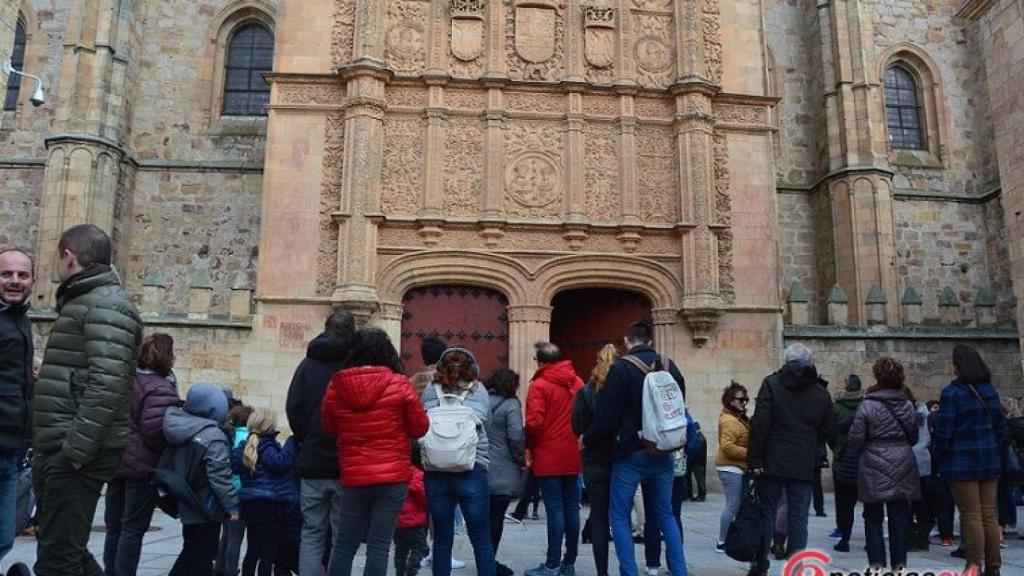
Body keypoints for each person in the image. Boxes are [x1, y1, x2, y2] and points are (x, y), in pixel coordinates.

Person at [33, 225, 144, 576]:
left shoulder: (104, 305)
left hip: (76, 448)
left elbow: (107, 384)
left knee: (57, 559)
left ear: (69, 257)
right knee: (67, 548)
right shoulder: (86, 301)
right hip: (61, 443)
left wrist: (77, 451)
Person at [322, 328, 430, 576]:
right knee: (379, 545)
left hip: (354, 474)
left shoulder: (336, 386)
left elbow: (329, 427)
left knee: (345, 544)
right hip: (392, 476)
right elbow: (420, 427)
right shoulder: (399, 384)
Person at [583, 322, 688, 576]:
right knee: (665, 515)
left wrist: (588, 438)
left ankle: (628, 571)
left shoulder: (621, 369)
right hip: (662, 450)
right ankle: (680, 570)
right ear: (650, 341)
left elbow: (607, 416)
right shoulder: (669, 365)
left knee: (618, 516)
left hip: (630, 452)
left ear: (627, 341)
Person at [747, 343, 834, 576]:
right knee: (799, 517)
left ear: (786, 361)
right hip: (803, 461)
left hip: (772, 459)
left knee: (767, 513)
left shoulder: (771, 384)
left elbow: (760, 424)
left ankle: (760, 564)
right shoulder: (820, 392)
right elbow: (828, 430)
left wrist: (754, 459)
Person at [103, 334, 181, 576]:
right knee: (132, 529)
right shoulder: (160, 388)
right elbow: (155, 431)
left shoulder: (124, 382)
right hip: (143, 467)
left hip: (116, 462)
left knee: (114, 527)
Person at [286, 309, 355, 576]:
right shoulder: (354, 366)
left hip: (312, 461)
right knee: (341, 535)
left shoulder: (307, 364)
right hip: (345, 462)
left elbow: (294, 408)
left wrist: (307, 438)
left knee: (312, 533)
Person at [931, 345, 1006, 576]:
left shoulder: (952, 393)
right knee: (988, 514)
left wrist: (938, 454)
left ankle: (973, 565)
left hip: (962, 462)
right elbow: (1001, 429)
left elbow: (945, 432)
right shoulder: (990, 391)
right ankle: (993, 567)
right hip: (989, 460)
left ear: (958, 366)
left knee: (971, 515)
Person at [420, 348, 496, 576]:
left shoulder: (430, 390)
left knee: (442, 538)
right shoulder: (479, 390)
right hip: (472, 467)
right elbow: (487, 426)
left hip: (436, 469)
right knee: (481, 537)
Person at [847, 357, 919, 569]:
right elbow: (913, 437)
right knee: (899, 516)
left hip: (872, 463)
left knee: (872, 516)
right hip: (903, 461)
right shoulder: (907, 404)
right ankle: (899, 567)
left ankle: (876, 566)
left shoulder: (867, 405)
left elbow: (855, 439)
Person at [162, 383, 239, 576]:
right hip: (207, 505)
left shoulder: (181, 426)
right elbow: (220, 477)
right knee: (203, 555)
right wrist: (232, 506)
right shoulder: (212, 436)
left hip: (187, 500)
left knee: (190, 550)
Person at [524, 343, 584, 576]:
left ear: (540, 361)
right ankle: (569, 562)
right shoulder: (577, 382)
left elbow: (534, 423)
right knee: (571, 508)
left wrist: (530, 447)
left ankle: (551, 563)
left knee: (555, 509)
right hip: (572, 452)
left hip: (548, 454)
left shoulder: (539, 385)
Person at [0, 249, 34, 571]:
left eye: (22, 275)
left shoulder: (19, 319)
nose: (14, 281)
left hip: (11, 450)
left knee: (4, 538)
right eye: (6, 274)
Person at [572, 345, 618, 576]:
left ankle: (602, 572)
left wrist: (587, 437)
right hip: (621, 459)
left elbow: (576, 426)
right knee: (619, 517)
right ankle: (628, 567)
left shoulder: (586, 391)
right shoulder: (623, 390)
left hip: (594, 460)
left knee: (599, 517)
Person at [233, 408, 297, 576]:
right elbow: (281, 463)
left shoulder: (245, 446)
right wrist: (291, 442)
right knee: (268, 553)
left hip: (248, 505)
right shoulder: (267, 446)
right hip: (267, 506)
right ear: (270, 426)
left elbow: (235, 466)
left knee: (253, 550)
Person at [485, 369, 526, 576]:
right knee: (496, 519)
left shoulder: (481, 400)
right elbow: (516, 435)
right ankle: (489, 562)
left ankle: (484, 560)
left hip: (480, 468)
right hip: (502, 471)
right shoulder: (511, 405)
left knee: (482, 518)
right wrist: (521, 459)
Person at [217, 403, 255, 576]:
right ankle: (231, 571)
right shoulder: (248, 438)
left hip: (226, 490)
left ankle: (219, 567)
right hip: (241, 491)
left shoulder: (228, 436)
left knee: (227, 533)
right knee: (236, 537)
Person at [714, 381, 750, 553]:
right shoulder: (730, 421)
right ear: (730, 401)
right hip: (730, 467)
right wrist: (750, 453)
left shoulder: (736, 418)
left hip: (736, 467)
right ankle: (721, 541)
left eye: (746, 400)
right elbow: (727, 446)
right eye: (741, 400)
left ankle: (731, 537)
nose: (744, 403)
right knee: (732, 504)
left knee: (736, 504)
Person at [829, 374, 863, 552]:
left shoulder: (836, 407)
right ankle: (870, 540)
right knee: (871, 504)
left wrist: (836, 448)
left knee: (844, 503)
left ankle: (844, 538)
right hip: (864, 458)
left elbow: (830, 431)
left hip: (842, 458)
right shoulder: (866, 405)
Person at [926, 400, 956, 548]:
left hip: (938, 470)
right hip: (954, 467)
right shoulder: (956, 420)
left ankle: (943, 534)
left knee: (938, 503)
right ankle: (947, 536)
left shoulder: (934, 419)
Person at [395, 444, 429, 576]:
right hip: (414, 521)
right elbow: (424, 497)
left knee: (401, 549)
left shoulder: (398, 471)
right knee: (419, 548)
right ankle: (411, 571)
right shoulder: (418, 474)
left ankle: (400, 572)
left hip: (398, 520)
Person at [909, 399, 933, 551]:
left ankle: (911, 539)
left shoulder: (905, 414)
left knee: (906, 505)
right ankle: (923, 538)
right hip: (924, 462)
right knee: (922, 503)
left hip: (908, 461)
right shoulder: (926, 415)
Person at [686, 430, 707, 502]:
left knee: (700, 479)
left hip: (697, 462)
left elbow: (696, 451)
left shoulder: (698, 438)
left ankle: (701, 496)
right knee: (700, 479)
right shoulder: (700, 437)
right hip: (699, 462)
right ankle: (699, 495)